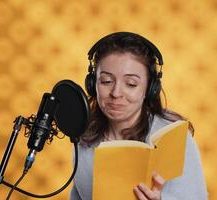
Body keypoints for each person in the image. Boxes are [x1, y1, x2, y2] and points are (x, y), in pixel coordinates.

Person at [70, 32, 208, 200]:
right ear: (92, 84)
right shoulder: (83, 137)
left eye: (131, 84)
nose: (116, 93)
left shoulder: (176, 138)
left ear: (149, 89)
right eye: (106, 81)